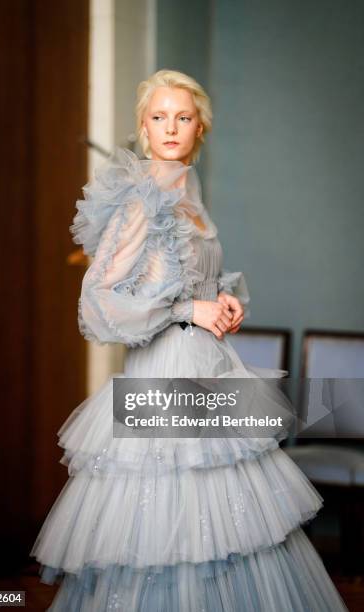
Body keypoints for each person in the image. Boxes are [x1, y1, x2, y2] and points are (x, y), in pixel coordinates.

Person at [30, 69, 349, 611]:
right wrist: (186, 308)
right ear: (144, 128)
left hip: (209, 363)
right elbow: (99, 300)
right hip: (161, 371)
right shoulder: (140, 200)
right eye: (159, 118)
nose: (171, 127)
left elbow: (182, 275)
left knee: (234, 520)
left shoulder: (189, 192)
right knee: (164, 519)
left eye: (183, 117)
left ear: (200, 128)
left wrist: (220, 299)